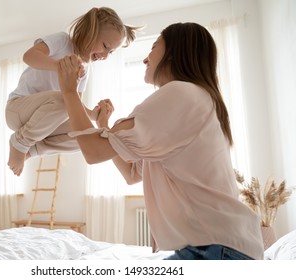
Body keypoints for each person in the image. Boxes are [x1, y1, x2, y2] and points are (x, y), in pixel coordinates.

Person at [56, 22, 264, 260]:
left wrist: (69, 92)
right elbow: (132, 173)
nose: (146, 59)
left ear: (174, 53)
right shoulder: (195, 101)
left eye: (154, 47)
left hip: (217, 248)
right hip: (223, 246)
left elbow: (93, 152)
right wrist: (104, 126)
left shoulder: (181, 94)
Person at [6, 7, 140, 176]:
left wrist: (93, 114)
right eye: (105, 46)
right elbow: (29, 56)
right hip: (17, 110)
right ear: (91, 31)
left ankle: (31, 150)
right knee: (64, 99)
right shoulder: (63, 41)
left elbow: (74, 106)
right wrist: (61, 67)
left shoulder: (84, 70)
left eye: (111, 52)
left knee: (87, 136)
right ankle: (19, 143)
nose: (105, 55)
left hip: (41, 123)